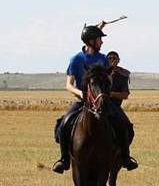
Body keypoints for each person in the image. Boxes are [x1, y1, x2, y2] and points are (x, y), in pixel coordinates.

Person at [52, 23, 138, 173]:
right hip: (83, 101)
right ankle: (64, 159)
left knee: (123, 123)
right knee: (64, 124)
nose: (102, 42)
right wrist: (81, 93)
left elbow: (107, 80)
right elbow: (69, 84)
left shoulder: (103, 59)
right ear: (91, 41)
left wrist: (108, 84)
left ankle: (125, 157)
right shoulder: (76, 59)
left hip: (101, 100)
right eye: (99, 39)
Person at [106, 50, 135, 151]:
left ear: (118, 60)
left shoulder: (123, 75)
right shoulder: (100, 72)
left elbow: (125, 94)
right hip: (98, 105)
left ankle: (125, 155)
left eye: (114, 58)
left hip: (114, 107)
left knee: (127, 127)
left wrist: (112, 94)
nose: (112, 60)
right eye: (109, 58)